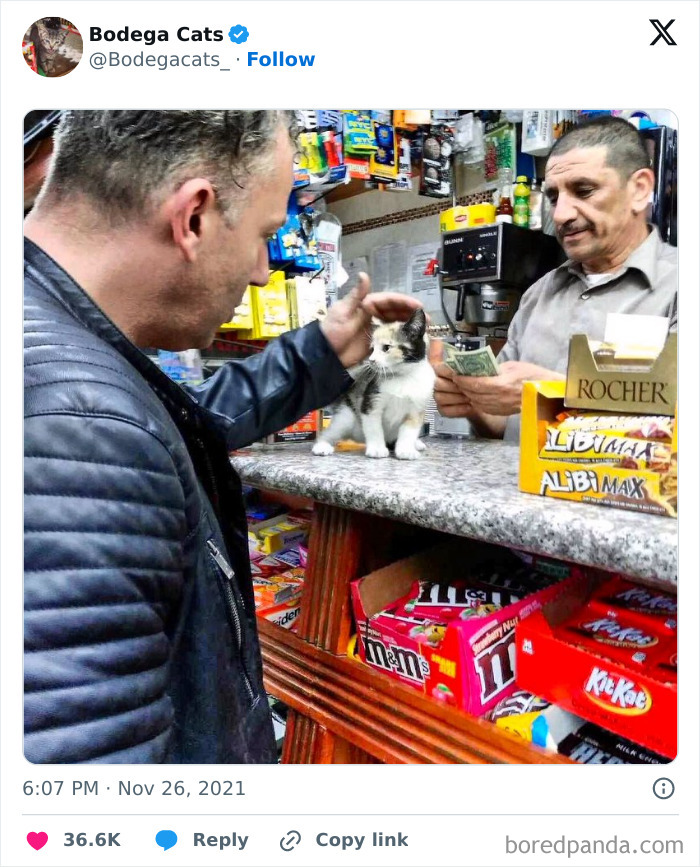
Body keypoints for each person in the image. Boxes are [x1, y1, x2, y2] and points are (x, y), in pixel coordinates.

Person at [24, 110, 422, 763]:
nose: (264, 270)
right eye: (265, 234)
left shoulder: (52, 342)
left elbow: (176, 423)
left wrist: (320, 352)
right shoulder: (81, 425)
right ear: (194, 218)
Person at [432, 115, 677, 442]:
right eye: (553, 198)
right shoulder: (537, 295)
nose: (561, 214)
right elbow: (505, 424)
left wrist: (550, 391)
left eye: (584, 191)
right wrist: (471, 401)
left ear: (639, 189)